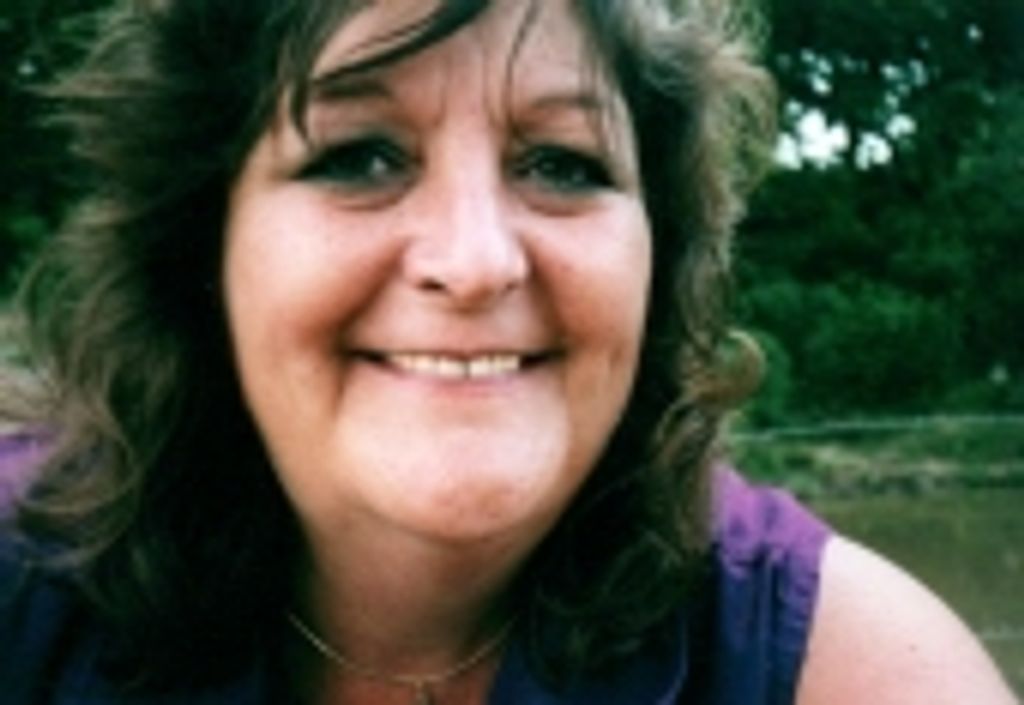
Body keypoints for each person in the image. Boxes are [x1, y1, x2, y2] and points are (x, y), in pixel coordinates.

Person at [0, 0, 1015, 703]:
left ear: (658, 259)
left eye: (561, 165)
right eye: (360, 156)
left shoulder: (848, 670)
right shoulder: (21, 595)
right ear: (202, 244)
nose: (476, 261)